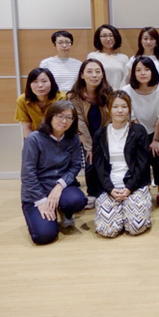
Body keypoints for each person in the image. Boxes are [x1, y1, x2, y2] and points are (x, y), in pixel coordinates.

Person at [20, 100, 87, 245]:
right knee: (44, 236)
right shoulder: (34, 139)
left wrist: (59, 186)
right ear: (50, 117)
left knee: (77, 200)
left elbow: (75, 166)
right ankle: (44, 215)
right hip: (37, 191)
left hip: (62, 186)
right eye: (59, 116)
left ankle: (65, 211)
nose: (64, 121)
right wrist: (41, 201)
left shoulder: (73, 138)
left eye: (69, 117)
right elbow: (28, 174)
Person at [93, 91, 152, 237]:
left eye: (124, 106)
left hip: (134, 184)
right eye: (115, 107)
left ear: (129, 109)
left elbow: (142, 164)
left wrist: (128, 188)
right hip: (110, 185)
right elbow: (99, 166)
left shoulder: (138, 131)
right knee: (108, 230)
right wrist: (110, 189)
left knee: (135, 228)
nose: (120, 110)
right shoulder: (100, 134)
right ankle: (119, 209)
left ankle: (132, 207)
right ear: (108, 109)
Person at [66, 59, 113, 209]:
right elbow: (78, 123)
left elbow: (110, 119)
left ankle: (107, 190)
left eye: (98, 72)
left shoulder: (109, 93)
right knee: (90, 161)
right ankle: (92, 193)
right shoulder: (74, 97)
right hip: (83, 137)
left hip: (105, 135)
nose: (94, 75)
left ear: (102, 75)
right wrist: (90, 147)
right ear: (82, 75)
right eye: (90, 72)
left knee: (107, 160)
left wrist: (101, 143)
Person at [123, 56, 159, 205]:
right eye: (138, 70)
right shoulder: (127, 91)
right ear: (133, 73)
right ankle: (145, 187)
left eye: (147, 69)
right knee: (141, 156)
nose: (143, 73)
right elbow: (133, 117)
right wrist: (144, 139)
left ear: (153, 71)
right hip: (137, 128)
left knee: (157, 153)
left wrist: (155, 140)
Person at [15, 67, 66, 138]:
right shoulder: (22, 100)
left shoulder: (61, 98)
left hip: (57, 137)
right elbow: (27, 128)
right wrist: (31, 143)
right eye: (35, 82)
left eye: (44, 81)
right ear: (29, 85)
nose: (40, 85)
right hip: (34, 137)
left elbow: (63, 124)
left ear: (51, 82)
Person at [87, 24, 129, 89]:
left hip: (118, 95)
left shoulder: (124, 58)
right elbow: (91, 77)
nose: (108, 39)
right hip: (99, 94)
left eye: (111, 36)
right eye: (104, 36)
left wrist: (119, 93)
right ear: (99, 38)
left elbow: (126, 79)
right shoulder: (93, 56)